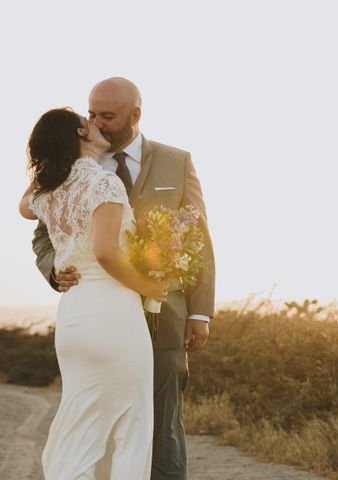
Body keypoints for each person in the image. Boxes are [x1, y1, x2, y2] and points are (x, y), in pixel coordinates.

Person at [32, 77, 216, 480]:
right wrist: (54, 267)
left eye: (108, 116)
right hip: (105, 310)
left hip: (165, 313)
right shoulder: (71, 169)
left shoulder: (176, 160)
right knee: (112, 422)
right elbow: (42, 233)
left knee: (162, 424)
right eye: (91, 114)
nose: (98, 123)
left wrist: (200, 312)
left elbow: (198, 235)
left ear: (135, 115)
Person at [20, 108, 169, 478]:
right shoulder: (105, 184)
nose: (98, 126)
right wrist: (148, 285)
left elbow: (24, 206)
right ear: (79, 132)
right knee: (130, 424)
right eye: (89, 123)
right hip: (113, 315)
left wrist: (50, 161)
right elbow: (105, 252)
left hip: (73, 317)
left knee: (80, 427)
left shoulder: (50, 190)